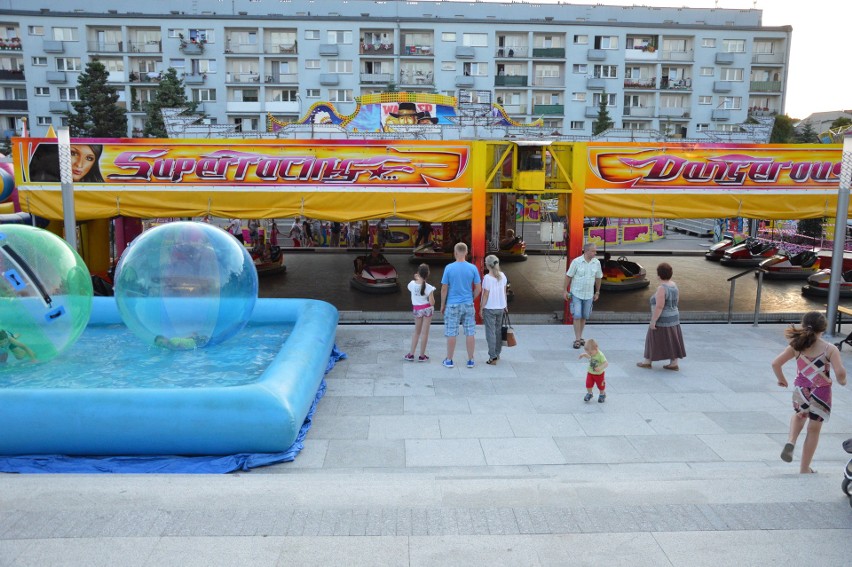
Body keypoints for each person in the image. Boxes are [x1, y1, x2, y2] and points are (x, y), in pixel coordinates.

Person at [771, 311, 847, 474]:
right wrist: (842, 381)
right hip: (822, 392)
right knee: (814, 428)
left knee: (799, 415)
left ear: (804, 326)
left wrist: (781, 379)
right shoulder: (830, 349)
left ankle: (791, 441)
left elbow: (776, 363)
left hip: (801, 389)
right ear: (823, 329)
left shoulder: (796, 346)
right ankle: (804, 468)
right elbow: (840, 372)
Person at [636, 262, 686, 371]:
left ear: (659, 275)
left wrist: (653, 321)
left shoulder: (662, 288)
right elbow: (676, 301)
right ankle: (674, 362)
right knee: (672, 338)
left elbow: (659, 306)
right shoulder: (674, 285)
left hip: (663, 318)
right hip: (674, 316)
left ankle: (647, 361)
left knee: (652, 337)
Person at [440, 242, 482, 369]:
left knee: (451, 332)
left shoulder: (449, 268)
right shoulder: (473, 268)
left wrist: (443, 304)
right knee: (470, 332)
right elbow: (479, 289)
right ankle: (470, 360)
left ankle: (449, 360)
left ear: (455, 252)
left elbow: (444, 288)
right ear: (467, 253)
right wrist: (471, 298)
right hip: (468, 304)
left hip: (452, 304)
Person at [564, 242, 602, 349]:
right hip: (576, 293)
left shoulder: (596, 263)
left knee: (584, 316)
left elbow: (598, 277)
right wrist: (564, 291)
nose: (595, 253)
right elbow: (568, 276)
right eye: (593, 251)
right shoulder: (576, 262)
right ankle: (577, 339)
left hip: (589, 294)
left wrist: (597, 292)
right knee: (577, 315)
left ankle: (580, 336)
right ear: (586, 251)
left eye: (595, 250)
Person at [480, 255, 508, 365]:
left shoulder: (487, 278)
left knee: (490, 333)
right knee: (498, 331)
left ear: (487, 264)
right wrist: (505, 305)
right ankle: (497, 353)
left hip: (490, 308)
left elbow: (485, 295)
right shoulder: (503, 276)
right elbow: (504, 292)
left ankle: (492, 357)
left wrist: (481, 308)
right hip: (500, 307)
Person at [405, 263, 435, 362]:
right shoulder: (429, 287)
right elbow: (432, 302)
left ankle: (411, 354)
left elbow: (411, 286)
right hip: (427, 309)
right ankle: (422, 356)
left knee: (416, 332)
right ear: (428, 274)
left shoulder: (412, 284)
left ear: (418, 273)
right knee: (425, 333)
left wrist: (416, 278)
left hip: (417, 309)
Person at [579, 338, 608, 403]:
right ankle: (590, 393)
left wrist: (600, 367)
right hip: (590, 373)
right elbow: (589, 357)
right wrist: (584, 355)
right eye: (588, 352)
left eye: (591, 353)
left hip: (599, 374)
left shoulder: (600, 355)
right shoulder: (592, 353)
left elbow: (606, 363)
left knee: (601, 385)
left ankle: (602, 394)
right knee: (588, 384)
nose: (590, 354)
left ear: (596, 348)